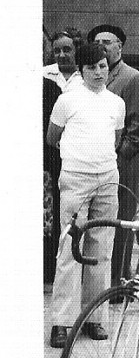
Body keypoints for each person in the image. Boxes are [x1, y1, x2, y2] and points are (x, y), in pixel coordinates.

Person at [46, 43, 125, 348]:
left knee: (101, 247)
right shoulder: (67, 100)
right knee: (69, 248)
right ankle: (62, 323)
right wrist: (79, 159)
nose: (98, 72)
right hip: (75, 179)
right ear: (81, 71)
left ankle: (95, 318)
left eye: (103, 66)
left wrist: (99, 163)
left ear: (109, 67)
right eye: (91, 67)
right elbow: (53, 138)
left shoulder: (116, 103)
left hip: (107, 179)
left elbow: (115, 139)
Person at [87, 24, 139, 287]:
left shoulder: (131, 78)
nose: (102, 45)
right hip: (93, 162)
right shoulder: (89, 77)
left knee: (121, 222)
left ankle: (118, 282)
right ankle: (98, 283)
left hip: (121, 164)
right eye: (97, 41)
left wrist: (117, 155)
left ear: (119, 47)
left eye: (108, 41)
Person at [43, 76, 62, 283]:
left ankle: (47, 269)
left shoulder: (49, 88)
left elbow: (53, 136)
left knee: (46, 222)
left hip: (46, 166)